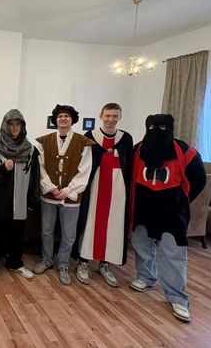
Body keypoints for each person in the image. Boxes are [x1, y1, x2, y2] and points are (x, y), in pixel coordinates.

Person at [129, 114, 205, 323]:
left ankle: (176, 296)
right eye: (152, 127)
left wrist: (182, 200)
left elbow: (199, 179)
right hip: (143, 209)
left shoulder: (186, 152)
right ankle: (145, 276)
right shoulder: (137, 150)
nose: (157, 131)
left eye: (162, 127)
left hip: (173, 213)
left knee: (173, 253)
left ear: (170, 128)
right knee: (141, 244)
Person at [33, 104, 93, 285]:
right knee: (46, 231)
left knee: (68, 234)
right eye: (60, 116)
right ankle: (47, 259)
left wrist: (67, 190)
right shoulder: (44, 141)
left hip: (71, 197)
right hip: (49, 194)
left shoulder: (83, 142)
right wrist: (51, 188)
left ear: (72, 120)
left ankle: (64, 264)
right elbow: (40, 168)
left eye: (66, 116)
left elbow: (85, 170)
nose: (63, 119)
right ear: (55, 120)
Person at [75, 103, 133, 287]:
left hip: (117, 187)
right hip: (95, 185)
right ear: (101, 116)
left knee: (113, 225)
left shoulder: (126, 138)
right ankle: (83, 262)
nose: (111, 120)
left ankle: (105, 264)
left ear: (120, 118)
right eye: (107, 115)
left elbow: (129, 165)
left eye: (115, 116)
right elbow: (84, 163)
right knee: (90, 221)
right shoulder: (90, 136)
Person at [0, 109, 40, 285]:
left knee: (17, 234)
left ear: (22, 126)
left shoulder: (30, 150)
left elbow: (35, 176)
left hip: (20, 200)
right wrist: (2, 169)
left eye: (17, 124)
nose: (14, 128)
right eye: (11, 124)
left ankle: (15, 263)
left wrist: (32, 199)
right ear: (5, 126)